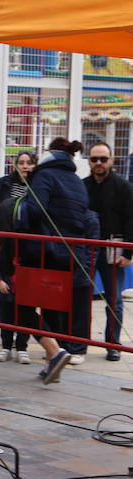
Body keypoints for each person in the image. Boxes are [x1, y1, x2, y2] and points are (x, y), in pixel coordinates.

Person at [16, 137, 98, 383]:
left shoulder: (45, 176)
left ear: (49, 153)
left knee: (23, 307)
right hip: (66, 254)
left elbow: (35, 209)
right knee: (52, 311)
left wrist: (19, 212)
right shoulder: (76, 181)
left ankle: (55, 352)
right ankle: (55, 361)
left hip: (41, 251)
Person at [0, 152, 37, 364]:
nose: (25, 166)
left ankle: (21, 343)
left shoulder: (39, 185)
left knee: (25, 298)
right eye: (21, 163)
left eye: (29, 163)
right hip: (2, 246)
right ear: (15, 165)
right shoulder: (4, 183)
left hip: (26, 249)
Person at [83, 142, 133, 361]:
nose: (99, 163)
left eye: (103, 159)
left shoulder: (124, 187)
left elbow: (131, 220)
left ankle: (112, 343)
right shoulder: (82, 185)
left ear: (111, 160)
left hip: (113, 250)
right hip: (86, 250)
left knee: (114, 300)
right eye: (95, 159)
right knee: (81, 297)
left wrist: (128, 254)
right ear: (89, 161)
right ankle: (79, 342)